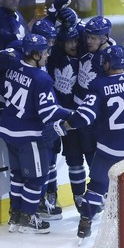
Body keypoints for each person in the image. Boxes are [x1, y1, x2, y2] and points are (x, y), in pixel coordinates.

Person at [42, 45, 124, 241]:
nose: (102, 63)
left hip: (109, 150)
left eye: (105, 61)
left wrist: (62, 127)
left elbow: (84, 117)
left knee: (96, 187)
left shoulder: (99, 85)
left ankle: (85, 221)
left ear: (110, 63)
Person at [0, 33, 71, 234]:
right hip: (29, 135)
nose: (47, 54)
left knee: (18, 176)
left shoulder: (12, 67)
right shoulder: (42, 78)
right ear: (34, 54)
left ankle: (15, 215)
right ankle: (28, 216)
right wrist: (73, 114)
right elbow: (47, 112)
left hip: (8, 130)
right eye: (44, 51)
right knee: (37, 178)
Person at [46, 26, 90, 213]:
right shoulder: (54, 57)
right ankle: (78, 196)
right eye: (69, 41)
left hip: (85, 118)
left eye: (76, 40)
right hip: (65, 120)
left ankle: (98, 195)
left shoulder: (85, 58)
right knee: (73, 159)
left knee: (92, 157)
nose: (73, 44)